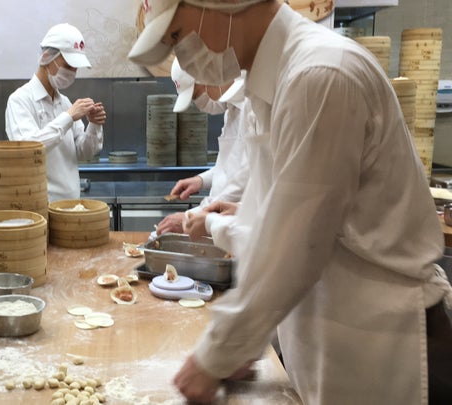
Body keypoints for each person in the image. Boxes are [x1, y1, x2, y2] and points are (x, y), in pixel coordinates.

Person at [129, 0, 452, 404]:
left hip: (381, 347)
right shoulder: (268, 88)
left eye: (177, 36)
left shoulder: (321, 75)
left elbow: (293, 251)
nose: (183, 57)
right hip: (328, 340)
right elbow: (274, 233)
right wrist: (243, 341)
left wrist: (215, 355)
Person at [5, 23, 106, 202]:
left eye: (75, 69)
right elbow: (29, 149)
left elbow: (84, 153)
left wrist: (94, 125)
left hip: (71, 206)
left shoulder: (64, 102)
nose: (72, 73)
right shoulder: (20, 100)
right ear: (46, 58)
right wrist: (68, 117)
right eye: (68, 65)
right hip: (40, 208)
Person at [156, 57, 250, 235]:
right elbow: (231, 165)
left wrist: (191, 216)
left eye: (196, 93)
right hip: (220, 222)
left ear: (209, 77)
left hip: (238, 227)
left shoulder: (251, 108)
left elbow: (243, 179)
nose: (198, 101)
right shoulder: (232, 110)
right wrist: (201, 180)